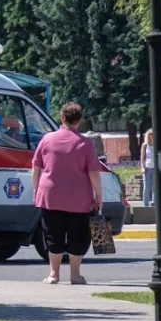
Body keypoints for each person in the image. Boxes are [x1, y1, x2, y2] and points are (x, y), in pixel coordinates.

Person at [31, 102, 102, 285]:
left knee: (53, 234)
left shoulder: (47, 139)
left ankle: (54, 274)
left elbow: (36, 166)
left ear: (62, 118)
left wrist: (36, 189)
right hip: (79, 198)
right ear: (79, 120)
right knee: (77, 235)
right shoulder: (85, 143)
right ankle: (75, 275)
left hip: (50, 196)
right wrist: (98, 195)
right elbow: (93, 172)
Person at [139, 129, 156, 207]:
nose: (153, 135)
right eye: (151, 134)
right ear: (148, 135)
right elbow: (142, 157)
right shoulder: (145, 145)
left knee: (155, 186)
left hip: (155, 168)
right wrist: (142, 167)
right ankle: (145, 204)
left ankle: (154, 202)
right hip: (147, 168)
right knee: (146, 186)